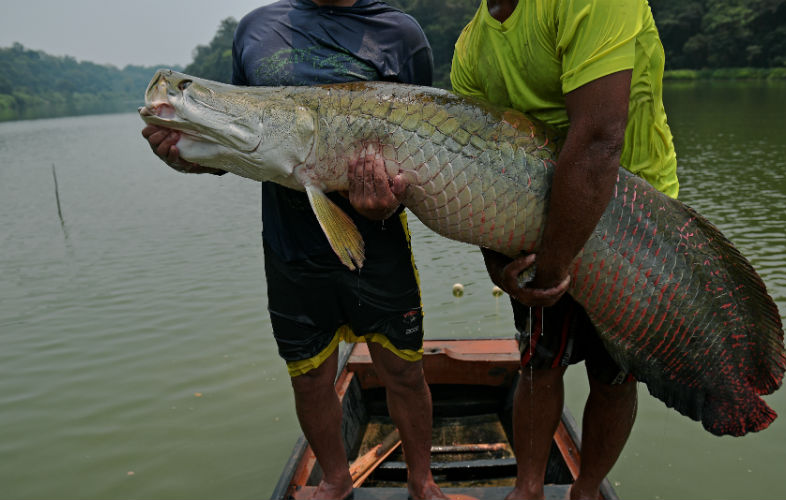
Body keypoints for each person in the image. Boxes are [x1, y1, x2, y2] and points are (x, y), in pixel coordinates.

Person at [141, 1, 448, 499]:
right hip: (289, 246)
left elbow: (421, 141)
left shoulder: (401, 34)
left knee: (404, 371)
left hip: (381, 243)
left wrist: (386, 199)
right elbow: (242, 141)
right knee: (308, 379)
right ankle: (334, 479)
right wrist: (190, 158)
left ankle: (422, 480)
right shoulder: (255, 30)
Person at [450, 1, 680, 499]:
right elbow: (475, 164)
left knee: (613, 374)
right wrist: (498, 263)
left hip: (635, 221)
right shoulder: (471, 44)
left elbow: (599, 139)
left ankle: (586, 490)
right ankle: (528, 489)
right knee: (538, 361)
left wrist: (551, 268)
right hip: (532, 221)